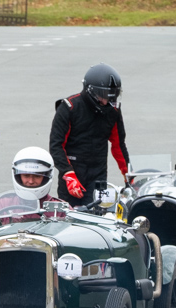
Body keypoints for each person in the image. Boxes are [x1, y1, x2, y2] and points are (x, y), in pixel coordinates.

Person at [49, 63, 130, 207]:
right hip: (73, 172)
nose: (106, 101)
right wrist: (68, 174)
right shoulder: (69, 107)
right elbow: (56, 146)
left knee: (96, 214)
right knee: (70, 214)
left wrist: (128, 174)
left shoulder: (113, 111)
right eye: (102, 97)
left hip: (98, 174)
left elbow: (118, 145)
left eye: (110, 97)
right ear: (91, 91)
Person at [0, 147, 61, 215]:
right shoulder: (2, 204)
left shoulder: (59, 209)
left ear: (46, 177)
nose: (31, 181)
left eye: (37, 176)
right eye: (26, 175)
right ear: (18, 176)